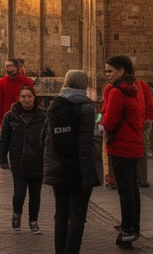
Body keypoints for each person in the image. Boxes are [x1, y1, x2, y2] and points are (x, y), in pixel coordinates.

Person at [43, 69, 100, 254]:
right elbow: (85, 144)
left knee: (61, 214)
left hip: (58, 168)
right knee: (77, 216)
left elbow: (44, 137)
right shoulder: (86, 107)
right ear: (83, 84)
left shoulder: (55, 105)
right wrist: (88, 176)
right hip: (77, 169)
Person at [101, 55, 144, 246]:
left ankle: (127, 231)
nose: (107, 75)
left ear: (121, 71)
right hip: (134, 145)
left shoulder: (117, 92)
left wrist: (102, 120)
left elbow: (109, 122)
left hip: (120, 146)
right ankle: (133, 227)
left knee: (125, 190)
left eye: (110, 71)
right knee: (132, 189)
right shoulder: (133, 90)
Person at [0, 84, 46, 234]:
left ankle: (33, 220)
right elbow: (4, 139)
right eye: (23, 96)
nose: (26, 100)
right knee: (19, 193)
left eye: (29, 96)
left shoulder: (43, 116)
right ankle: (16, 214)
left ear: (34, 98)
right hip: (19, 161)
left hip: (37, 161)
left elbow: (48, 138)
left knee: (35, 195)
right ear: (19, 98)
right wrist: (3, 159)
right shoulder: (11, 115)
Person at [0, 59, 35, 129]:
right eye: (7, 67)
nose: (9, 68)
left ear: (16, 67)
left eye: (11, 66)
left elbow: (33, 98)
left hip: (25, 116)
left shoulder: (26, 81)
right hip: (8, 117)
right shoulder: (1, 82)